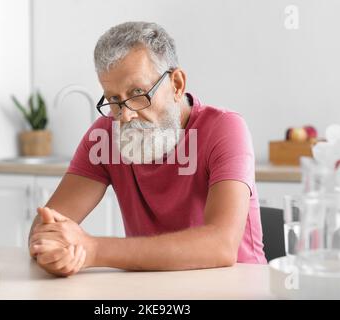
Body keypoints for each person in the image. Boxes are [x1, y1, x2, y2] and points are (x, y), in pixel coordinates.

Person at [28, 21, 267, 277]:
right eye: (114, 100)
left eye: (138, 93)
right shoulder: (105, 134)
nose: (125, 115)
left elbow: (220, 245)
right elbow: (43, 232)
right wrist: (56, 251)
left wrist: (93, 250)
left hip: (236, 287)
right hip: (150, 288)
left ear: (176, 84)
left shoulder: (224, 128)